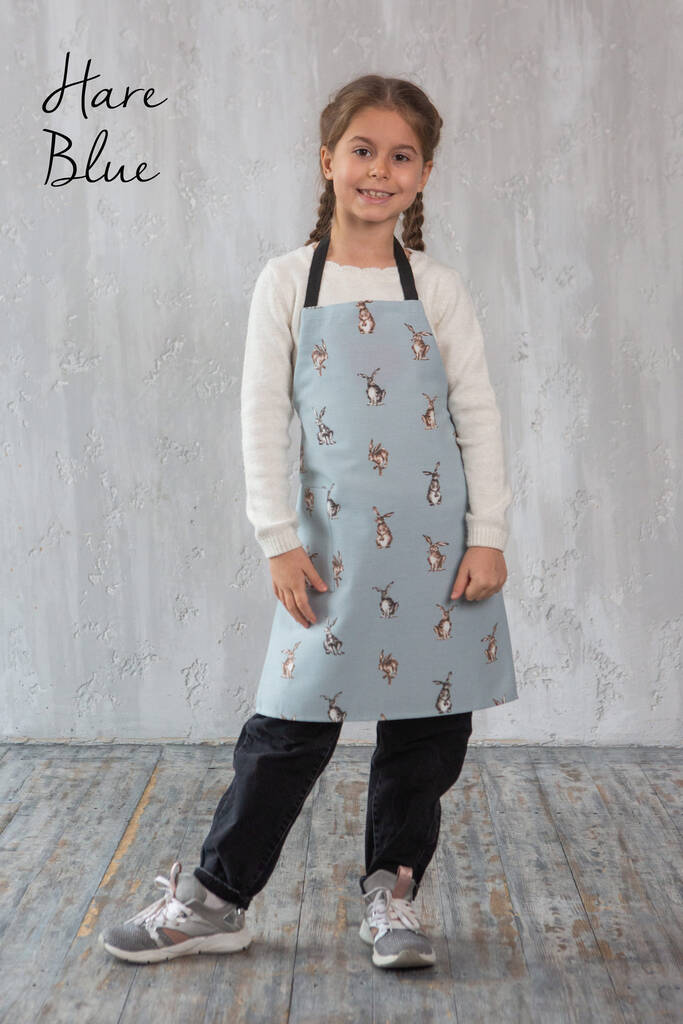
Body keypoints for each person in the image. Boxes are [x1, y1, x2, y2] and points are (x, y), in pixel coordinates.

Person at [99, 73, 519, 971]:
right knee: (288, 727)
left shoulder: (437, 287)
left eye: (400, 156)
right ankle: (216, 899)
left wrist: (488, 532)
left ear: (424, 174)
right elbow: (261, 416)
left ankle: (391, 894)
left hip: (439, 550)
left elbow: (476, 412)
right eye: (362, 151)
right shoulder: (288, 281)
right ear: (327, 160)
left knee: (427, 729)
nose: (379, 170)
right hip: (329, 549)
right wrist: (277, 540)